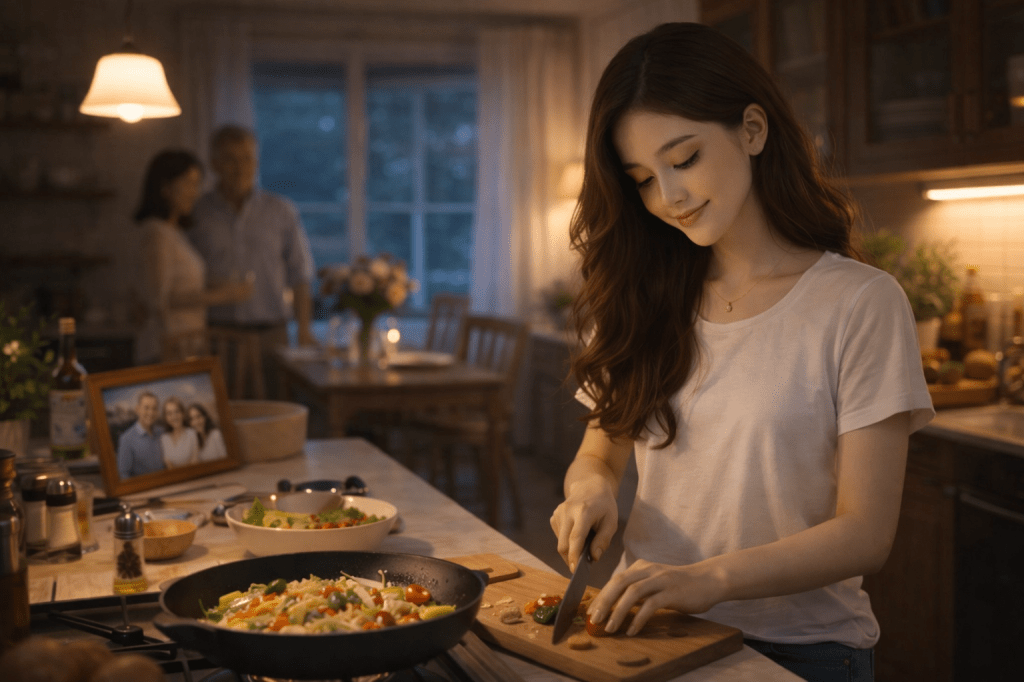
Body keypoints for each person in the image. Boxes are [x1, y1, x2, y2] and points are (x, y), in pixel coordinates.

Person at [547, 23, 934, 682]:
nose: (667, 197)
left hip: (805, 651)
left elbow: (867, 532)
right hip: (653, 633)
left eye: (685, 158)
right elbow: (602, 449)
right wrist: (589, 492)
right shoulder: (645, 293)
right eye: (642, 177)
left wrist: (712, 579)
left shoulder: (860, 303)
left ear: (752, 130)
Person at [188, 125, 317, 397]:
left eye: (247, 158)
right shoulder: (196, 212)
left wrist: (304, 330)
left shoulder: (281, 210)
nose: (240, 167)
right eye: (230, 159)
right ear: (214, 164)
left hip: (270, 334)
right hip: (217, 335)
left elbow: (300, 274)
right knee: (221, 418)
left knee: (273, 413)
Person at [133, 150, 253, 364]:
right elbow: (160, 300)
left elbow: (182, 285)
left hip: (183, 347)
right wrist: (223, 295)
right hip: (166, 349)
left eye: (197, 184)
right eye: (189, 183)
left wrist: (222, 286)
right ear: (165, 187)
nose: (195, 193)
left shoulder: (174, 232)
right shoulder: (156, 233)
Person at [116, 392, 165, 479]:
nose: (151, 412)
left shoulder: (162, 432)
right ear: (137, 409)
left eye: (154, 408)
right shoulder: (126, 439)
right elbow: (123, 474)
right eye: (146, 408)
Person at [159, 396, 199, 469]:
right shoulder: (164, 438)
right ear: (166, 418)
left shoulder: (192, 433)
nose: (174, 416)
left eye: (177, 411)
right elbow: (168, 465)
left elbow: (195, 462)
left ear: (183, 413)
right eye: (169, 413)